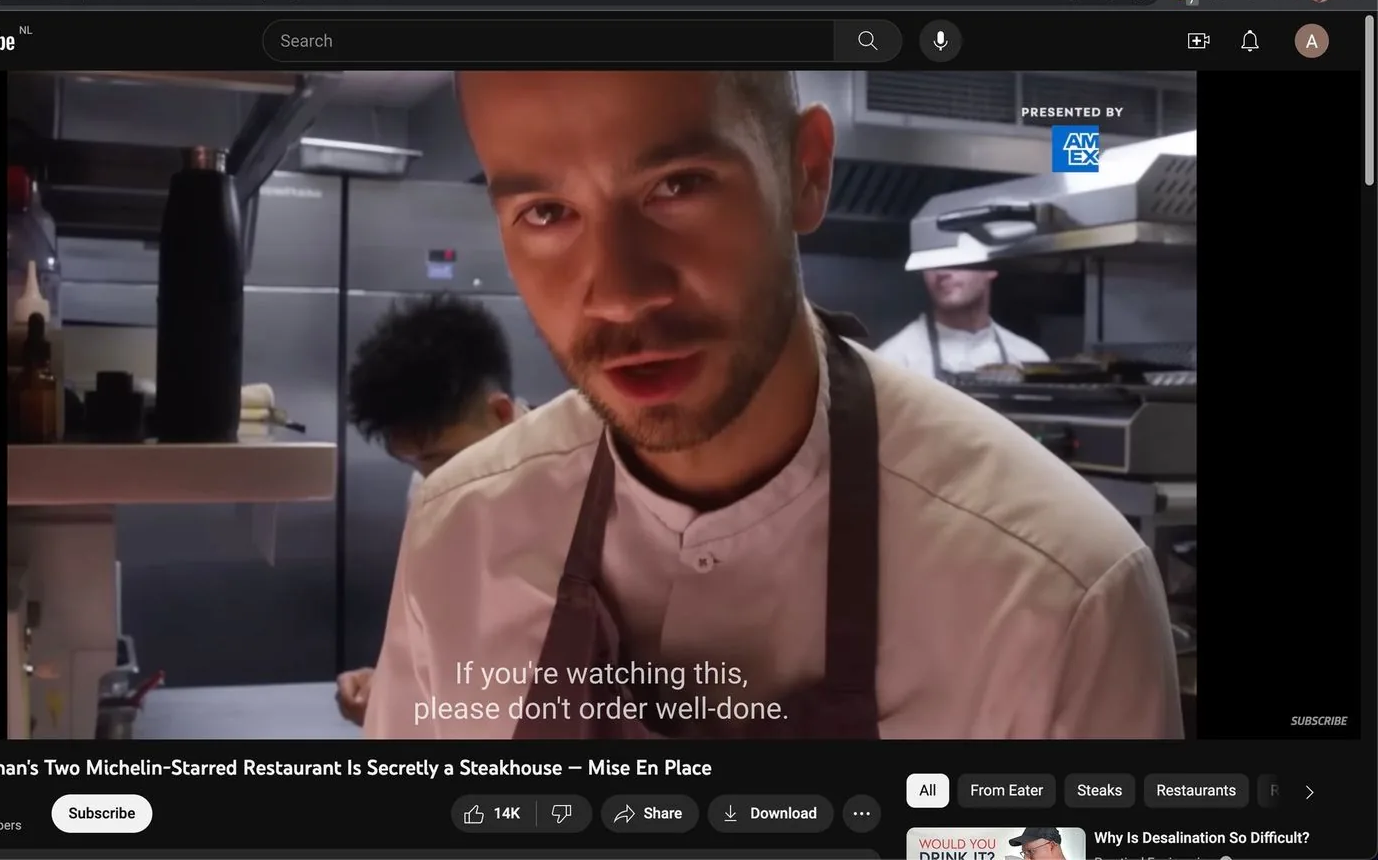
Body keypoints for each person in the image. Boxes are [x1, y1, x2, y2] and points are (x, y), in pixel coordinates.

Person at [363, 71, 1182, 740]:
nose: (619, 294)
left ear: (806, 171)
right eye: (547, 213)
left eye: (676, 186)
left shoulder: (1060, 593)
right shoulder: (457, 534)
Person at [333, 293, 529, 727]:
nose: (433, 481)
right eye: (414, 463)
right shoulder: (426, 489)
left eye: (442, 460)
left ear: (501, 414)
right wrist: (392, 681)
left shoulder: (583, 485)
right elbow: (436, 639)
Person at [875, 268, 1049, 380]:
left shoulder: (1031, 358)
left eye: (955, 257)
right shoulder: (890, 364)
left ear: (990, 267)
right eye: (930, 262)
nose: (941, 272)